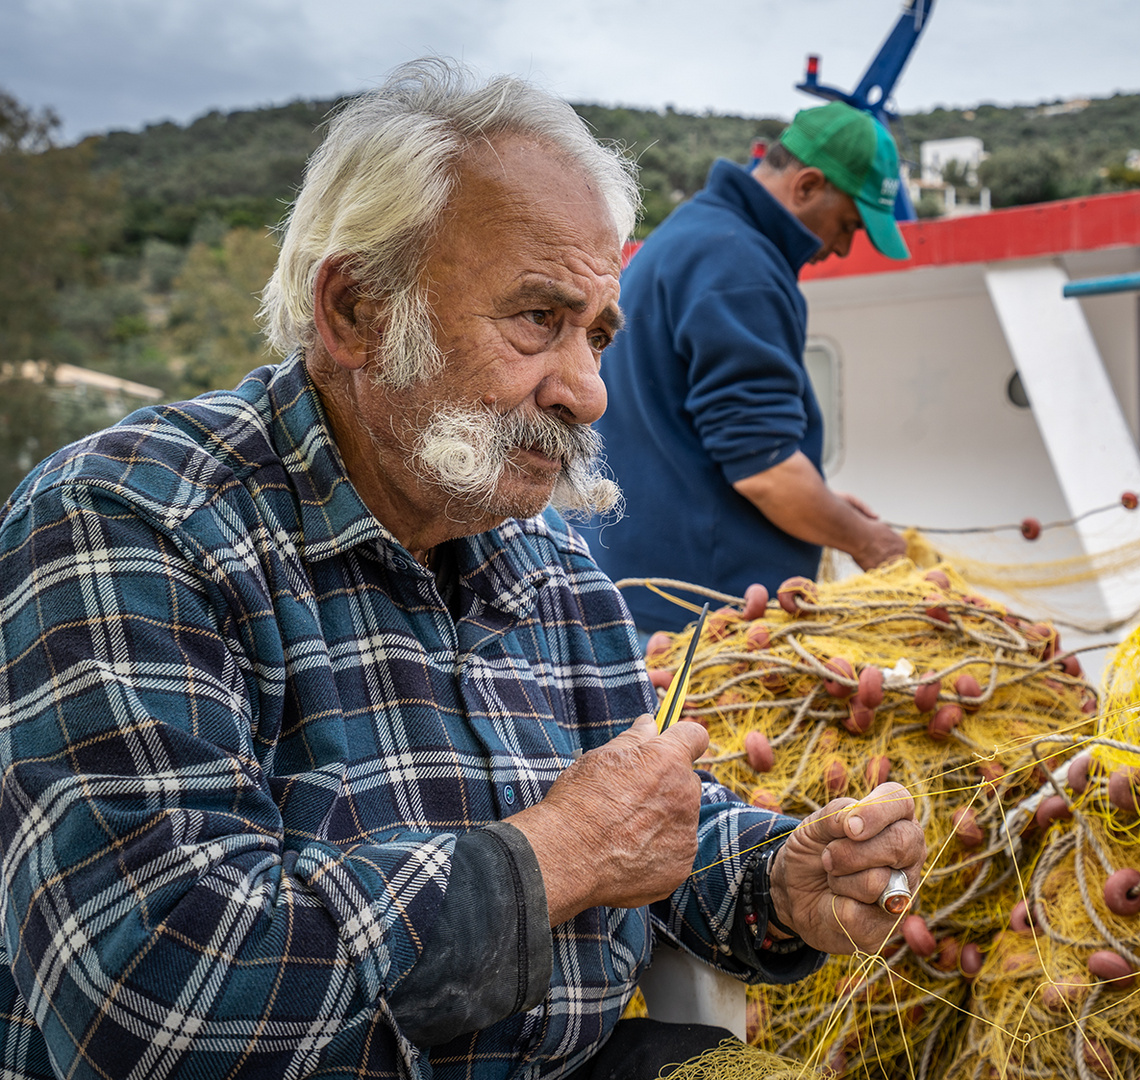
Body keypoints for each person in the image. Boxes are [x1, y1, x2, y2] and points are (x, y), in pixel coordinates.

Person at [0, 61, 924, 1080]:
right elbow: (152, 999)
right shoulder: (130, 522)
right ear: (355, 310)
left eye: (598, 335)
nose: (587, 394)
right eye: (538, 318)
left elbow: (642, 824)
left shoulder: (552, 557)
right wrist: (553, 857)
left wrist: (774, 880)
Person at [587, 102, 910, 635]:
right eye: (850, 224)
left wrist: (824, 506)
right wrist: (869, 541)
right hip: (700, 625)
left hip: (643, 598)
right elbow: (767, 472)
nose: (844, 246)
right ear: (806, 187)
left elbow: (718, 444)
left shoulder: (692, 234)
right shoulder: (741, 267)